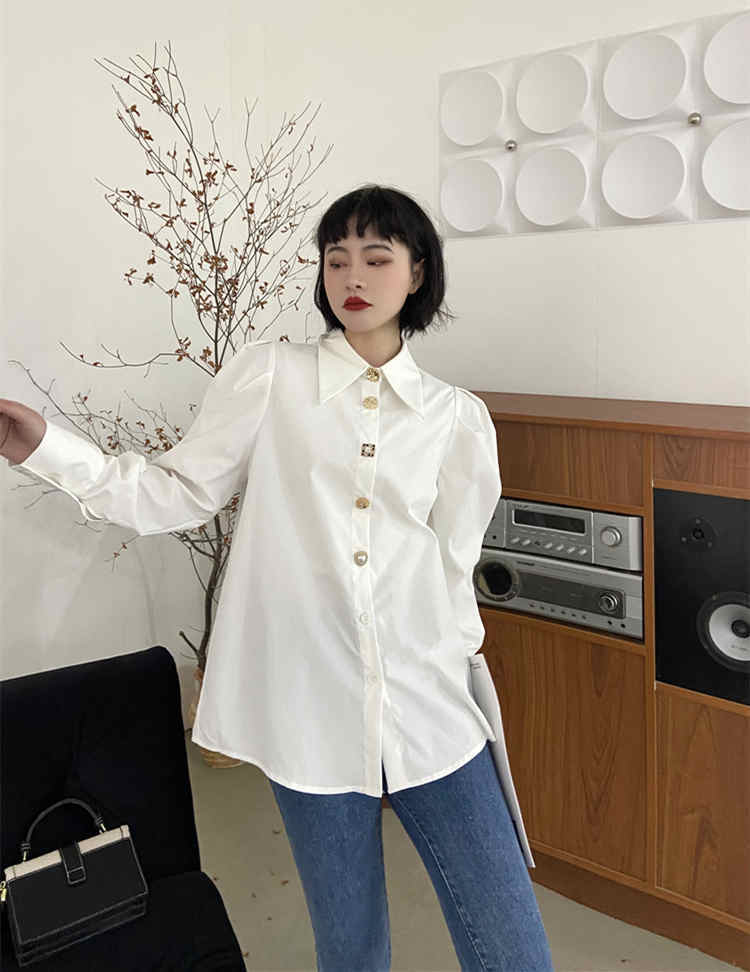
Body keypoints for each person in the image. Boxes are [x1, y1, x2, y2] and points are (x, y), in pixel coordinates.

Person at [1, 184, 554, 971]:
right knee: (351, 950)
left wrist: (457, 666)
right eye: (336, 258)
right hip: (308, 713)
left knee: (513, 946)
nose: (351, 275)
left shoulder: (455, 417)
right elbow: (175, 493)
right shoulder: (271, 377)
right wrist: (47, 449)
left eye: (376, 257)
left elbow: (451, 568)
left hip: (432, 707)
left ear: (418, 273)